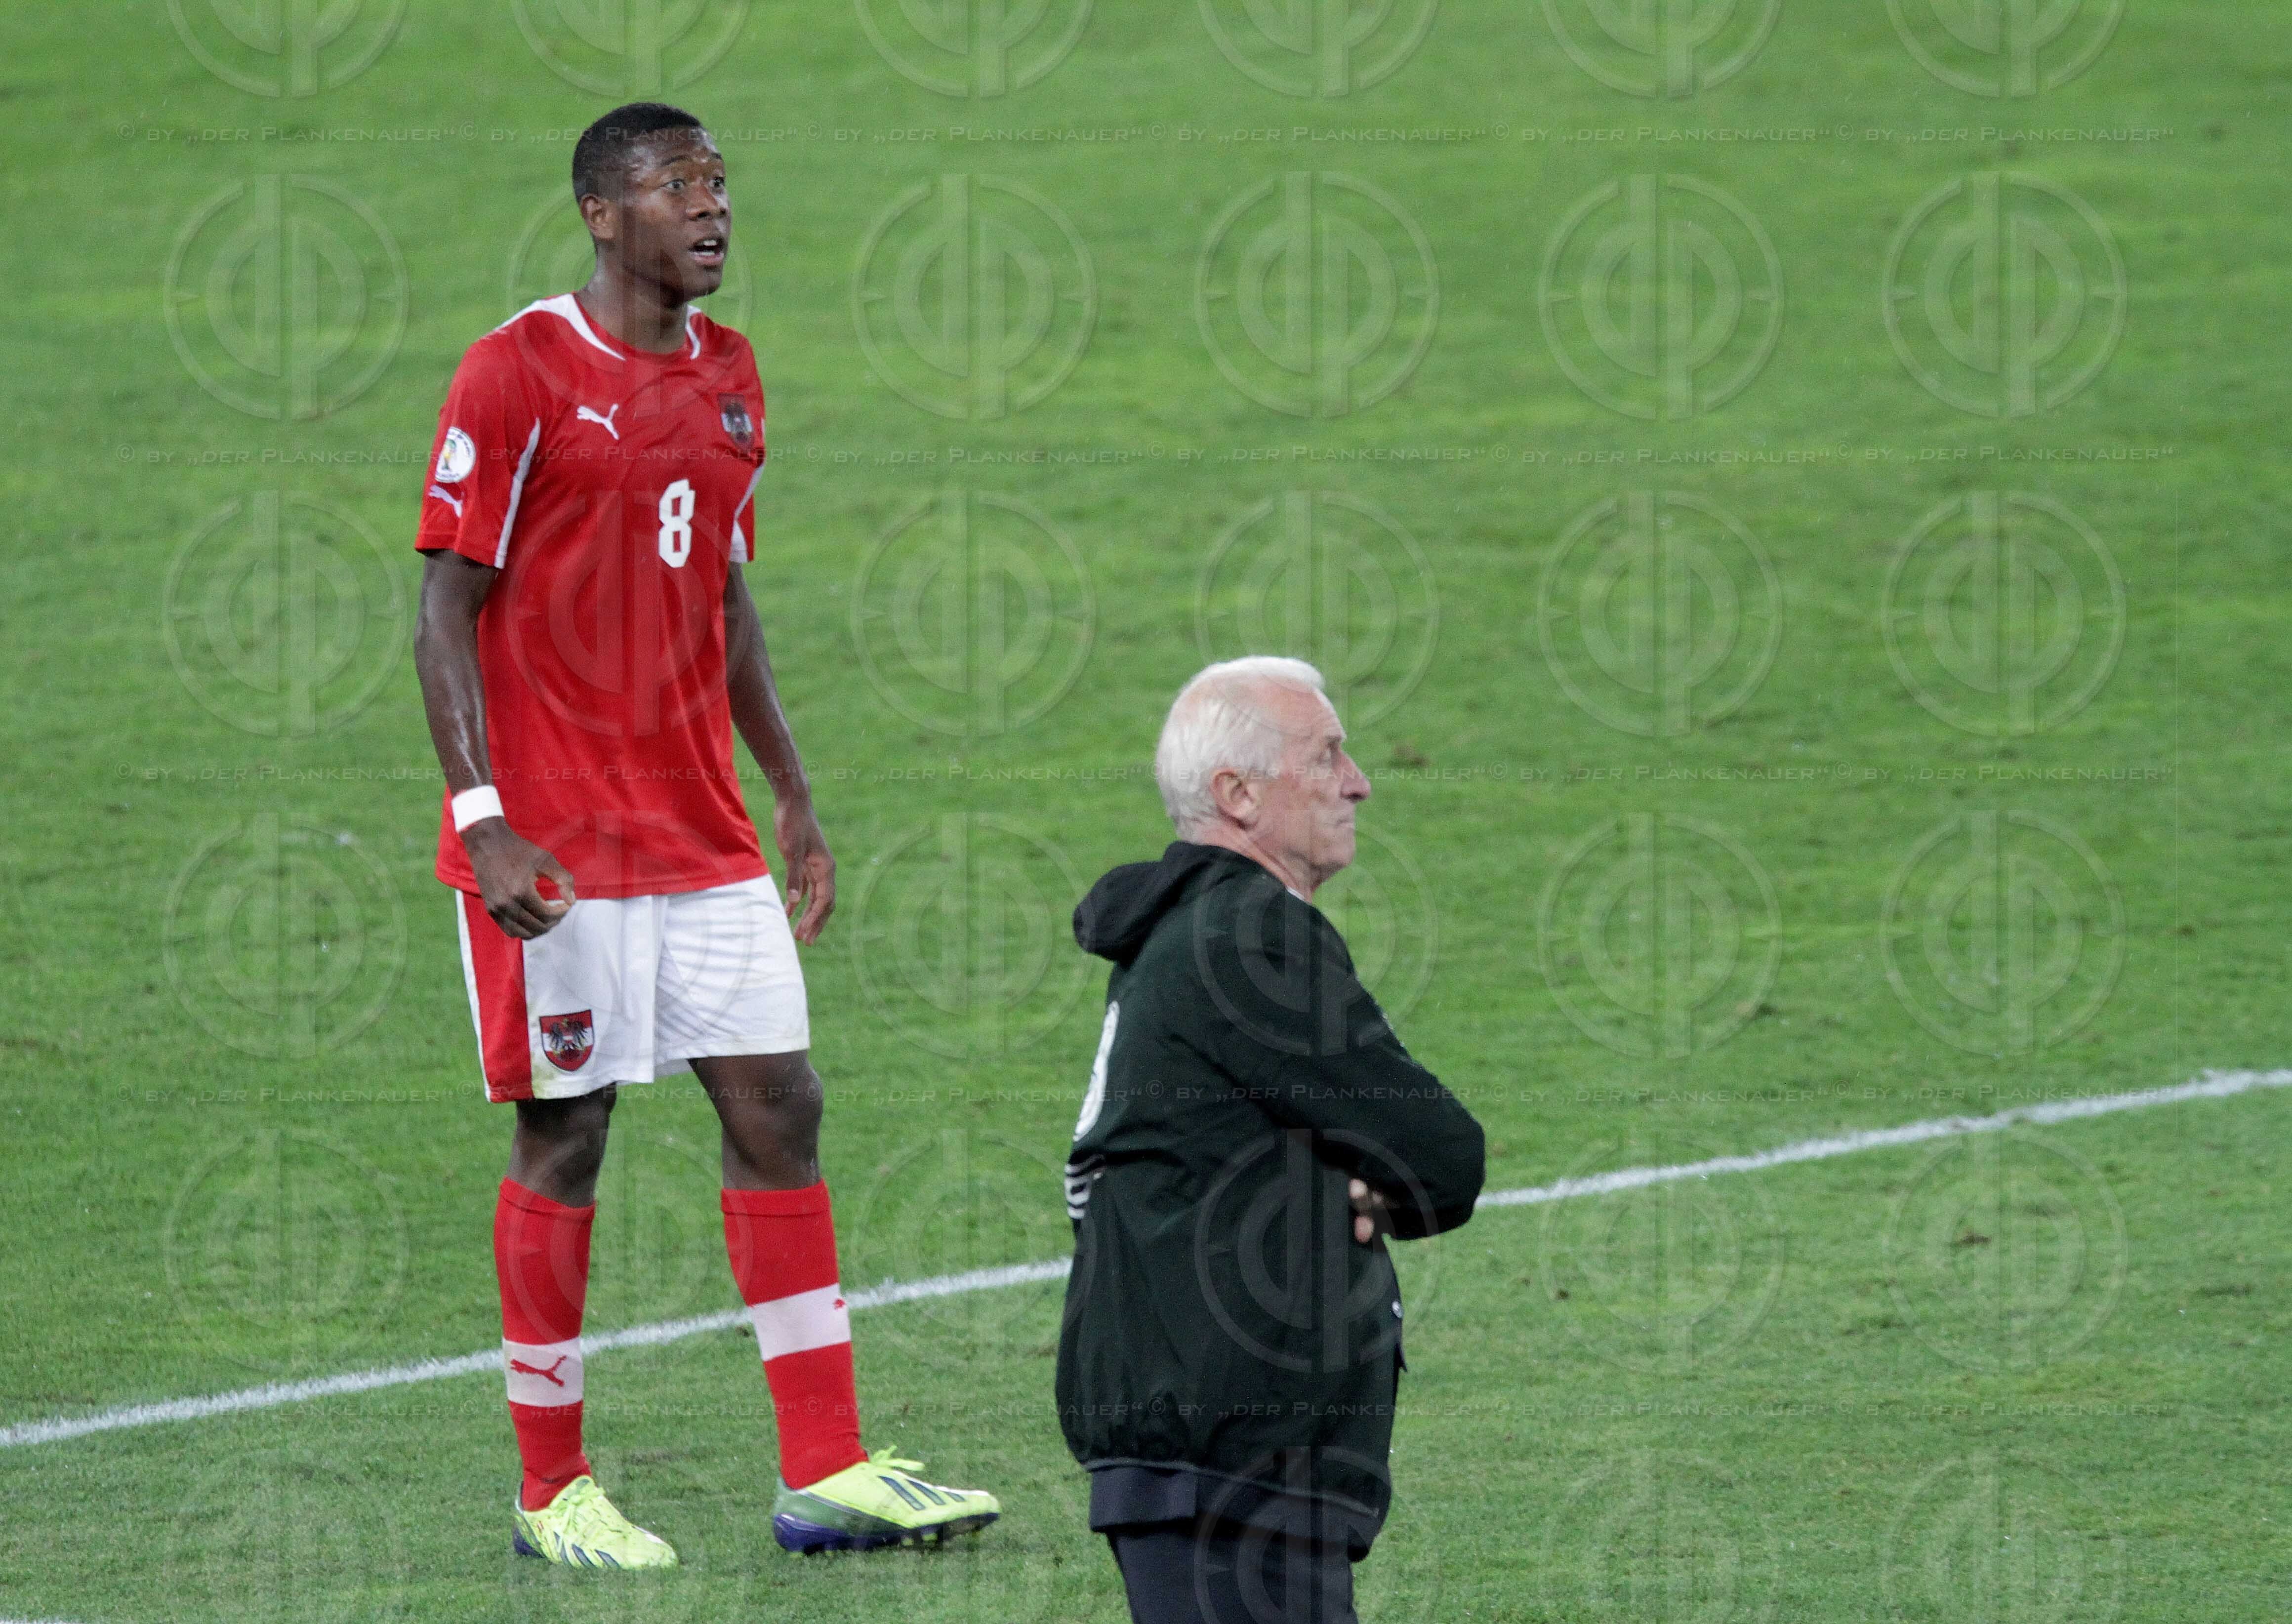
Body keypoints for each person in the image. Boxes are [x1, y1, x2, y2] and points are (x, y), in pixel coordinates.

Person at [411, 101, 997, 1570]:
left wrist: (790, 788)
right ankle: (554, 1486)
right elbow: (439, 610)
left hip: (703, 833)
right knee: (570, 1134)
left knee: (779, 1106)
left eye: (721, 187)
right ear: (604, 216)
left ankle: (826, 1468)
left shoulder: (731, 377)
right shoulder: (516, 370)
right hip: (554, 847)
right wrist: (482, 825)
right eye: (679, 190)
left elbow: (726, 599)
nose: (714, 212)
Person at [1057, 656, 1486, 1623]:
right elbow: (1442, 1156)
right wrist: (1365, 1177)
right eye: (1327, 754)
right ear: (1237, 794)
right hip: (1231, 1459)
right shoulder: (1248, 939)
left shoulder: (1174, 937)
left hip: (1193, 1450)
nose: (1358, 780)